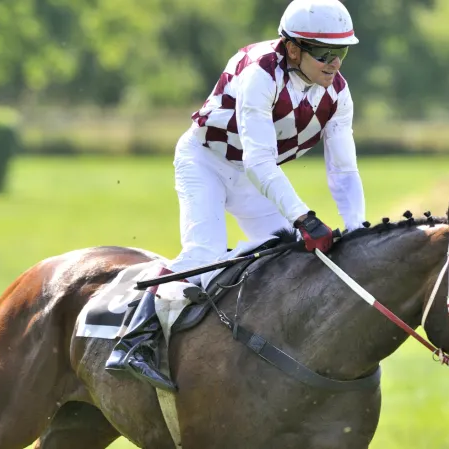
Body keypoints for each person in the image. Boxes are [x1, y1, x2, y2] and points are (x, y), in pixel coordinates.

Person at [105, 0, 367, 391]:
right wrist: (303, 217)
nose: (335, 64)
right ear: (292, 48)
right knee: (204, 254)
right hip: (205, 162)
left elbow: (343, 171)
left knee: (289, 257)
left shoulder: (339, 96)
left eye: (341, 53)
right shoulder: (259, 73)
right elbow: (260, 161)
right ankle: (134, 340)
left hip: (250, 177)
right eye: (325, 54)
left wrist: (358, 231)